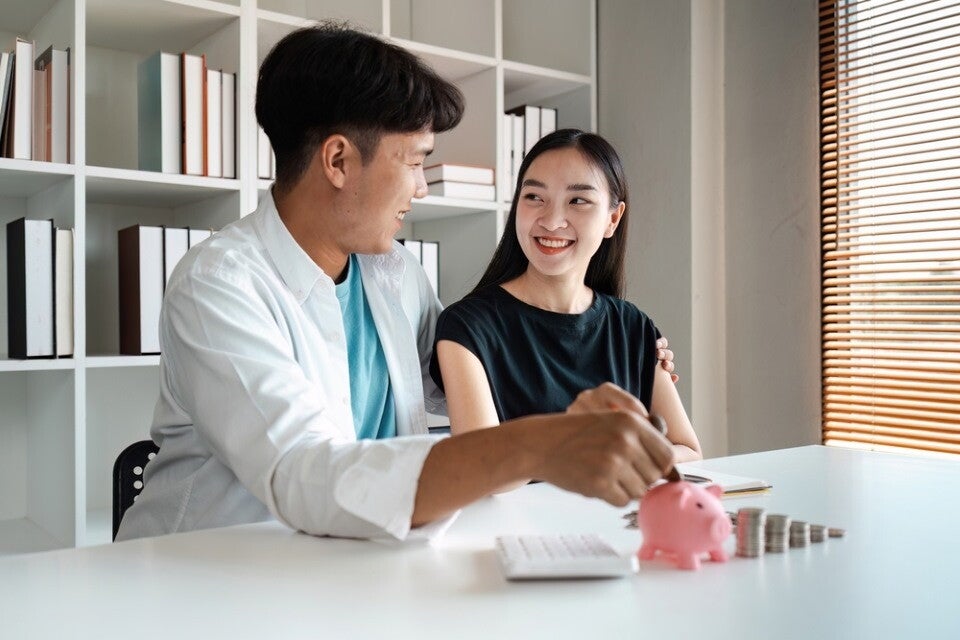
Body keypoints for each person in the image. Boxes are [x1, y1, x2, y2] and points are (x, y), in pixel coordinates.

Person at [117, 25, 678, 543]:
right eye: (414, 162)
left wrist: (598, 343)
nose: (422, 188)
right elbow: (301, 474)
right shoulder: (218, 286)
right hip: (213, 577)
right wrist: (539, 446)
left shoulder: (396, 274)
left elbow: (473, 369)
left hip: (358, 567)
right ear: (338, 160)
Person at [430, 129, 702, 465]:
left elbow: (688, 450)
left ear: (612, 219)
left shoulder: (633, 327)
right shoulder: (467, 328)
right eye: (534, 197)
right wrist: (614, 456)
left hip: (616, 517)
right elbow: (484, 466)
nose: (552, 220)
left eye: (578, 201)